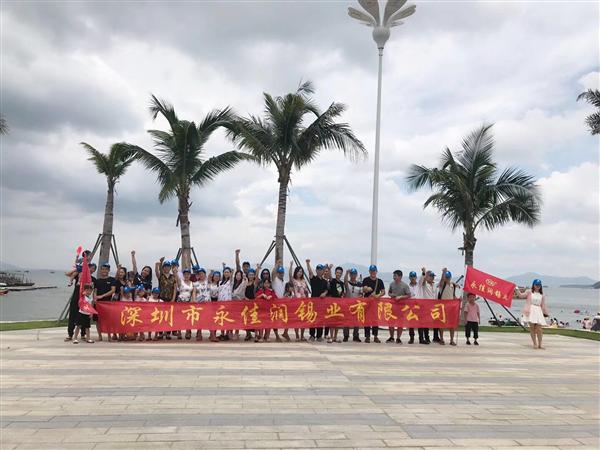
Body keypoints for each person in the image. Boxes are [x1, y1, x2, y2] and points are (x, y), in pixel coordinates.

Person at [64, 253, 95, 342]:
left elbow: (93, 292)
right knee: (72, 316)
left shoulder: (92, 279)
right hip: (76, 298)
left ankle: (83, 335)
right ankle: (70, 334)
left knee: (84, 316)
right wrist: (77, 269)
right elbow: (67, 274)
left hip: (85, 301)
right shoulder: (78, 273)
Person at [516, 279, 549, 349]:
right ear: (533, 285)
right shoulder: (529, 292)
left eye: (539, 285)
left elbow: (543, 305)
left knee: (539, 329)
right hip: (530, 310)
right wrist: (517, 289)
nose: (538, 286)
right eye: (536, 285)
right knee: (532, 328)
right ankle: (535, 343)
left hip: (538, 311)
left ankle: (540, 344)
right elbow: (521, 296)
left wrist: (545, 313)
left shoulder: (542, 295)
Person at [94, 263, 117, 342]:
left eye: (106, 269)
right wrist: (95, 297)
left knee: (108, 320)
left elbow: (113, 290)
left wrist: (102, 296)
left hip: (108, 303)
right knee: (98, 320)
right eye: (103, 269)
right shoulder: (97, 281)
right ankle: (100, 336)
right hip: (98, 303)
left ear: (108, 270)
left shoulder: (112, 280)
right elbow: (95, 291)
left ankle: (109, 336)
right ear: (100, 270)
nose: (104, 271)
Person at [306, 259, 328, 342]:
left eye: (320, 270)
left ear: (323, 271)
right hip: (313, 303)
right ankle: (312, 335)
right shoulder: (314, 279)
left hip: (321, 303)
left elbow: (326, 290)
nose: (319, 271)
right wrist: (308, 264)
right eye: (318, 269)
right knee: (312, 318)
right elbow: (310, 272)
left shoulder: (325, 281)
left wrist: (324, 293)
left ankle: (319, 336)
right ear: (316, 270)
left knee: (320, 319)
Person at [362, 265, 385, 343]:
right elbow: (364, 289)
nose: (373, 272)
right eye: (371, 271)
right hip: (367, 302)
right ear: (369, 271)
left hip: (375, 303)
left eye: (374, 271)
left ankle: (375, 336)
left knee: (375, 320)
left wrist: (378, 295)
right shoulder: (366, 279)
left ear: (376, 271)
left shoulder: (380, 281)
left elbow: (383, 291)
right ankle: (367, 336)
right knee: (367, 319)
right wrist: (367, 289)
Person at [155, 258, 177, 340]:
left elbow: (175, 288)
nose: (166, 268)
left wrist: (173, 299)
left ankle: (168, 333)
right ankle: (160, 333)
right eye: (165, 266)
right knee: (161, 316)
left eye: (168, 266)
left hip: (170, 299)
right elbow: (157, 272)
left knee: (169, 316)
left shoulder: (173, 277)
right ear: (163, 267)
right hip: (161, 298)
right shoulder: (161, 276)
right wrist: (159, 264)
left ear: (170, 268)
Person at [387, 270, 411, 344]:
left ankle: (398, 338)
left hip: (401, 307)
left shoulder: (405, 285)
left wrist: (401, 297)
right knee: (391, 322)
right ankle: (391, 337)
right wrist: (392, 295)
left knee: (400, 323)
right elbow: (389, 293)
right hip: (392, 306)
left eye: (395, 276)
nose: (394, 277)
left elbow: (409, 295)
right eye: (393, 276)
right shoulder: (391, 284)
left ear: (400, 277)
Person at [437, 269, 458, 346]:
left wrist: (458, 300)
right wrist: (443, 273)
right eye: (446, 277)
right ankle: (441, 339)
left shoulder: (453, 286)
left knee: (452, 324)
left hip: (451, 307)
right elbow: (442, 281)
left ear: (450, 277)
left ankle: (451, 340)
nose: (447, 278)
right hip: (443, 307)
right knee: (441, 323)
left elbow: (453, 296)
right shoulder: (442, 285)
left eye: (448, 277)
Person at [290, 263, 309, 341]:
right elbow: (290, 275)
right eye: (298, 271)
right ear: (296, 272)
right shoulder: (293, 280)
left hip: (304, 302)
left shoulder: (304, 281)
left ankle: (302, 335)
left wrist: (306, 292)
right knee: (296, 319)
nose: (300, 273)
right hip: (296, 302)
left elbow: (306, 290)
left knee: (303, 319)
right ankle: (297, 335)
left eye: (301, 272)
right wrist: (291, 266)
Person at [343, 268, 362, 342]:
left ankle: (356, 336)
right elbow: (345, 281)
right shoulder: (347, 283)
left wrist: (360, 297)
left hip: (356, 305)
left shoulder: (359, 284)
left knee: (356, 321)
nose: (353, 275)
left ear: (356, 275)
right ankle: (346, 335)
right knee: (346, 320)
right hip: (348, 304)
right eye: (351, 274)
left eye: (354, 274)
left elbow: (361, 294)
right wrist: (346, 273)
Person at [418, 268, 436, 344]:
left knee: (427, 322)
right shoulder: (425, 284)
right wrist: (424, 273)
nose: (432, 277)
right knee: (422, 322)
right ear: (427, 276)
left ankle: (427, 337)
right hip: (424, 306)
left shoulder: (434, 285)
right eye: (430, 276)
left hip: (431, 306)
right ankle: (421, 338)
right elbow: (421, 281)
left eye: (433, 276)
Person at [327, 266, 345, 343]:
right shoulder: (333, 281)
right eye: (337, 272)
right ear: (335, 273)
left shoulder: (342, 283)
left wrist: (342, 297)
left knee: (337, 321)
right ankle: (331, 337)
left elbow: (342, 293)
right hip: (332, 304)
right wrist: (329, 269)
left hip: (339, 304)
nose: (338, 274)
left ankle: (335, 337)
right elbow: (330, 277)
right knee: (332, 321)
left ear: (341, 274)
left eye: (340, 273)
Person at [179, 268, 195, 340]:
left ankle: (188, 332)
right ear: (183, 275)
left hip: (188, 302)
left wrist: (193, 301)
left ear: (190, 275)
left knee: (188, 317)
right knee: (179, 318)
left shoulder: (192, 283)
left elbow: (193, 292)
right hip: (180, 301)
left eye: (188, 274)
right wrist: (175, 271)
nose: (186, 275)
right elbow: (176, 277)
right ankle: (179, 332)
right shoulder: (181, 281)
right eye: (185, 274)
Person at [406, 271, 420, 344]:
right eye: (411, 276)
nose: (413, 278)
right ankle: (411, 338)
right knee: (411, 323)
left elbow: (423, 279)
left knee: (420, 322)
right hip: (410, 306)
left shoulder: (420, 285)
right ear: (409, 277)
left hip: (419, 306)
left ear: (416, 277)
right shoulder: (407, 286)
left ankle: (421, 338)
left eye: (414, 276)